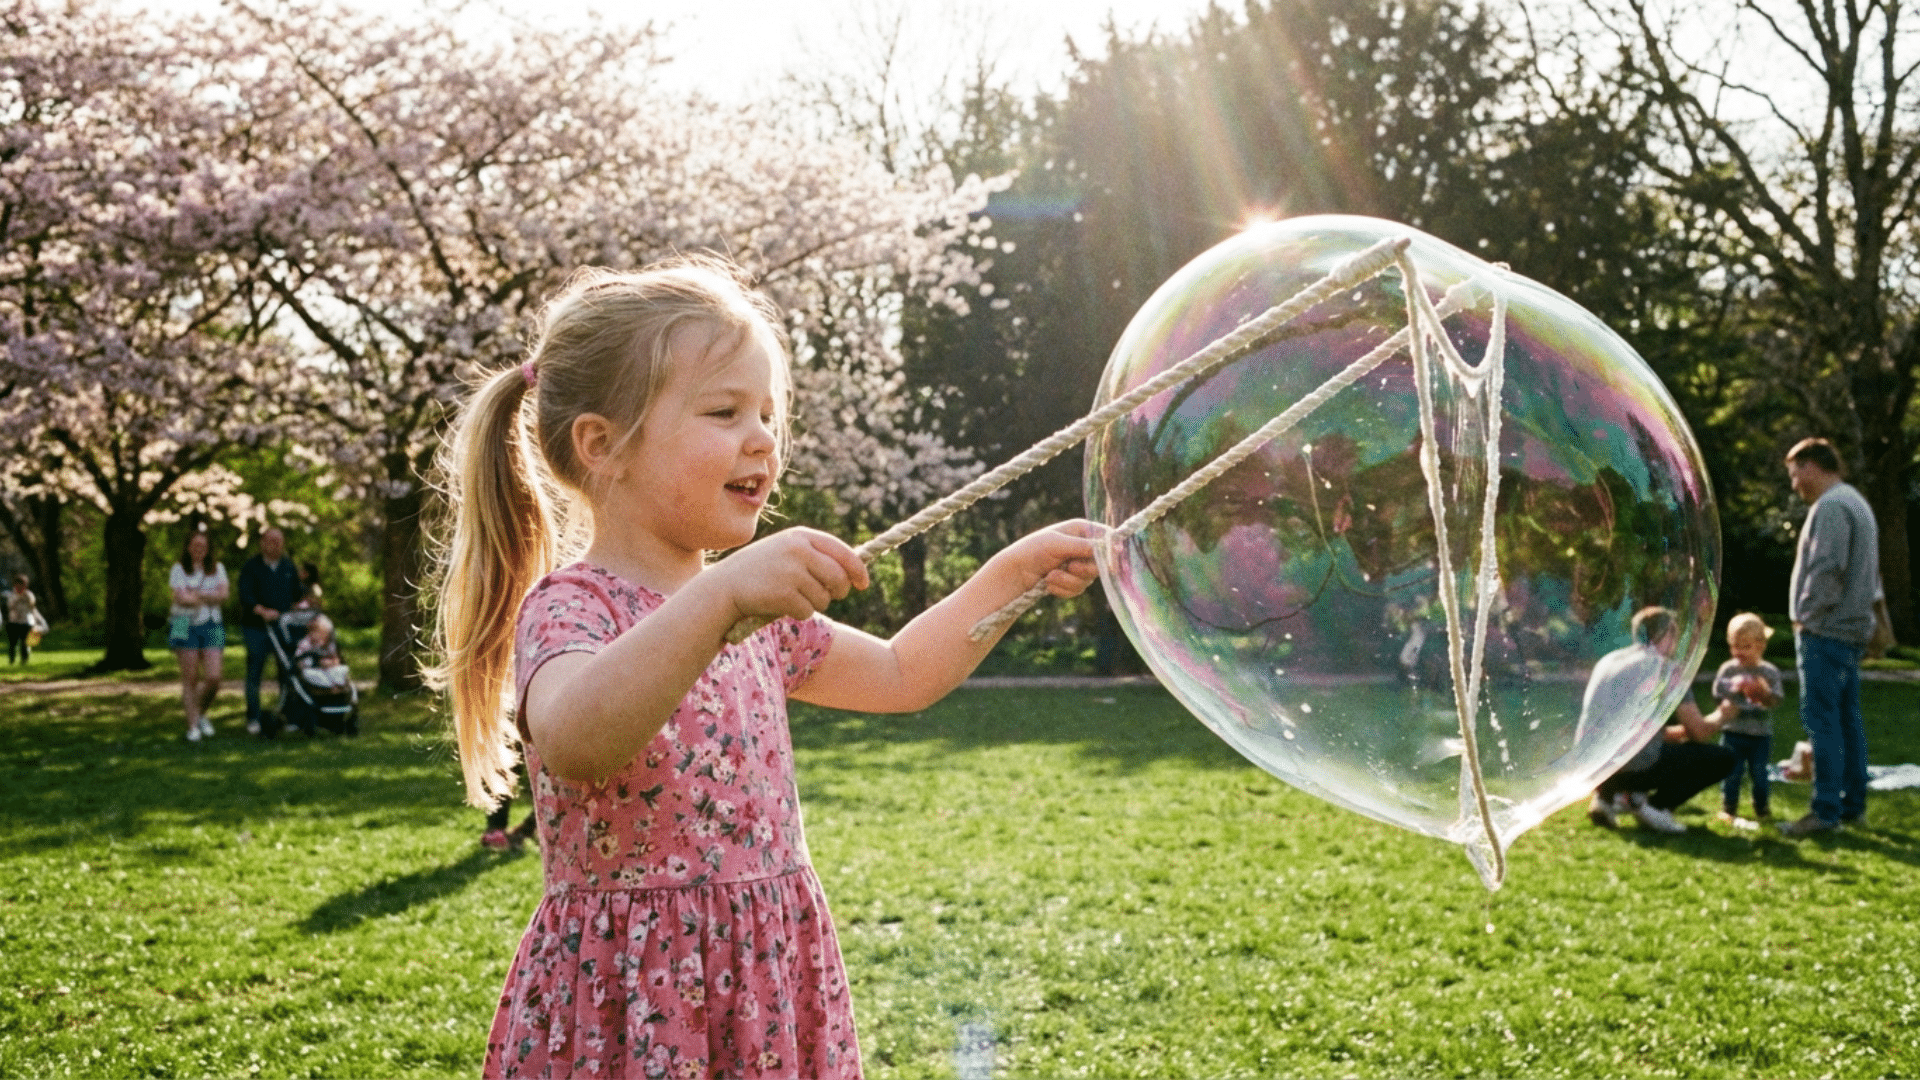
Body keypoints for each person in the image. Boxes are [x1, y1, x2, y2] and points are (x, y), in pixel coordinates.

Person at [431, 259, 1098, 1079]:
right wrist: (718, 600)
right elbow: (574, 738)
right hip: (634, 999)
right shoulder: (575, 607)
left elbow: (897, 673)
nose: (762, 439)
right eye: (724, 411)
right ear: (603, 446)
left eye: (768, 415)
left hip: (764, 979)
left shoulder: (750, 614)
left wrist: (1014, 571)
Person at [1782, 437, 1879, 836]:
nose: (1794, 484)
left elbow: (1827, 568)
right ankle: (1852, 806)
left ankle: (1824, 812)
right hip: (1849, 631)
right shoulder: (1855, 501)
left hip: (1826, 631)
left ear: (1811, 465)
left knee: (1822, 724)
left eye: (1794, 473)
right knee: (1846, 722)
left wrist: (1805, 616)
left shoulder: (1833, 506)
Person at [1581, 606, 1738, 834]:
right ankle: (1657, 807)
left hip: (1593, 765)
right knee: (1724, 758)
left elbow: (1628, 728)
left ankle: (1605, 799)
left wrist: (1678, 733)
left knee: (1635, 755)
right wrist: (1725, 713)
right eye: (1675, 634)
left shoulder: (1610, 660)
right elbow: (1700, 732)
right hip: (1634, 767)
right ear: (1666, 634)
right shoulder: (1666, 669)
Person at [1712, 613, 1784, 827]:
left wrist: (1763, 692)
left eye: (1746, 646)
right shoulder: (1729, 668)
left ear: (1760, 646)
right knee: (1731, 773)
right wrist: (1733, 687)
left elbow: (1776, 700)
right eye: (1735, 646)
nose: (1739, 652)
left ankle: (1761, 806)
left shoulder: (1769, 671)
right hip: (1733, 731)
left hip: (1760, 735)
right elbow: (1717, 691)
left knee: (1760, 774)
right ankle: (1728, 808)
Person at [236, 526, 306, 735]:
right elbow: (245, 596)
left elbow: (296, 593)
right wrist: (262, 611)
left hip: (283, 626)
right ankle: (253, 718)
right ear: (262, 543)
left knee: (287, 670)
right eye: (271, 541)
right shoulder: (251, 567)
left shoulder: (287, 565)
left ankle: (288, 716)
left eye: (279, 541)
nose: (275, 545)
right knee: (255, 668)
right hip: (256, 626)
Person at [169, 532, 230, 741]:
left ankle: (200, 713)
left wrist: (198, 595)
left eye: (203, 546)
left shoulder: (217, 568)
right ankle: (193, 726)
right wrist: (206, 596)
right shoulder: (178, 569)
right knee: (190, 678)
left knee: (214, 678)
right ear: (188, 547)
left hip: (212, 622)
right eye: (195, 545)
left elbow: (223, 595)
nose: (199, 549)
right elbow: (180, 598)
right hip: (181, 623)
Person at [293, 614, 351, 691]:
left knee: (342, 669)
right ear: (310, 633)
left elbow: (336, 659)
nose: (322, 637)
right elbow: (298, 659)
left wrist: (331, 663)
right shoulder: (305, 644)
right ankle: (330, 687)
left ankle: (338, 686)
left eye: (325, 635)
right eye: (319, 634)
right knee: (310, 674)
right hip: (312, 669)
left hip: (328, 669)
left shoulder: (329, 643)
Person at [5, 574, 40, 665]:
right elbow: (9, 606)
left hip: (26, 621)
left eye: (23, 584)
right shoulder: (12, 595)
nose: (20, 587)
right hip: (14, 621)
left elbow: (32, 606)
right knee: (12, 643)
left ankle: (24, 661)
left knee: (24, 643)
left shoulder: (29, 594)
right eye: (18, 584)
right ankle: (11, 661)